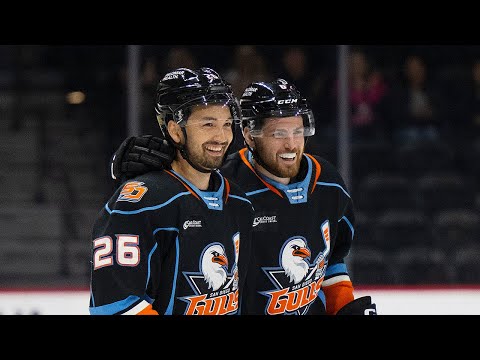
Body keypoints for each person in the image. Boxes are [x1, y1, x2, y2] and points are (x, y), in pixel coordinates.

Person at [111, 78, 376, 315]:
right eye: (278, 133)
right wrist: (147, 169)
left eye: (297, 131)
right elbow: (180, 185)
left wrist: (341, 304)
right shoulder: (227, 185)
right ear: (249, 135)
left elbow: (331, 259)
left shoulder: (328, 182)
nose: (291, 144)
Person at [89, 67, 254, 315]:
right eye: (208, 124)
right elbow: (116, 305)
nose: (221, 136)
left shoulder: (238, 202)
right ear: (176, 130)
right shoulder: (140, 203)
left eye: (227, 124)